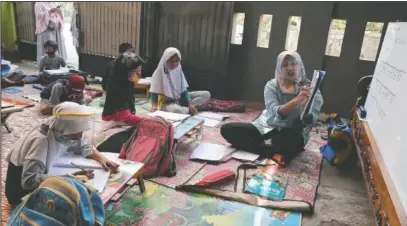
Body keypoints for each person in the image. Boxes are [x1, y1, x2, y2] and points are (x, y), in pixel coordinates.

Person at [5, 102, 119, 206]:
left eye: (80, 133)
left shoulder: (57, 129)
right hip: (20, 194)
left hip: (40, 176)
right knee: (77, 202)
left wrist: (101, 158)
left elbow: (81, 145)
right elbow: (29, 182)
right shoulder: (41, 142)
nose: (78, 138)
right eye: (74, 135)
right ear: (62, 129)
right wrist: (65, 180)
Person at [220, 51, 324, 165]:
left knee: (285, 142)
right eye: (285, 65)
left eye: (293, 64)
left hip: (292, 131)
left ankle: (265, 147)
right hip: (268, 125)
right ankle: (269, 151)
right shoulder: (272, 85)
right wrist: (296, 101)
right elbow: (274, 111)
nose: (290, 68)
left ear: (300, 65)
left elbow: (311, 120)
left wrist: (306, 109)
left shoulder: (310, 89)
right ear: (279, 67)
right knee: (227, 129)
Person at [149, 47, 211, 114]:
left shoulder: (178, 69)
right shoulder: (159, 73)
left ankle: (190, 107)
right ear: (165, 60)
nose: (174, 64)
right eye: (171, 61)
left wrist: (190, 103)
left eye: (176, 61)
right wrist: (154, 106)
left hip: (180, 98)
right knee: (176, 110)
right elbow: (154, 91)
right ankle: (190, 109)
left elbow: (184, 89)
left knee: (206, 94)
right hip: (167, 102)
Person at [102, 49, 147, 127]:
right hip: (112, 122)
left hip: (122, 119)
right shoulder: (117, 86)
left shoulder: (127, 83)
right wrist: (147, 121)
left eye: (140, 70)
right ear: (125, 71)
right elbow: (124, 116)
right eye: (136, 71)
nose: (138, 74)